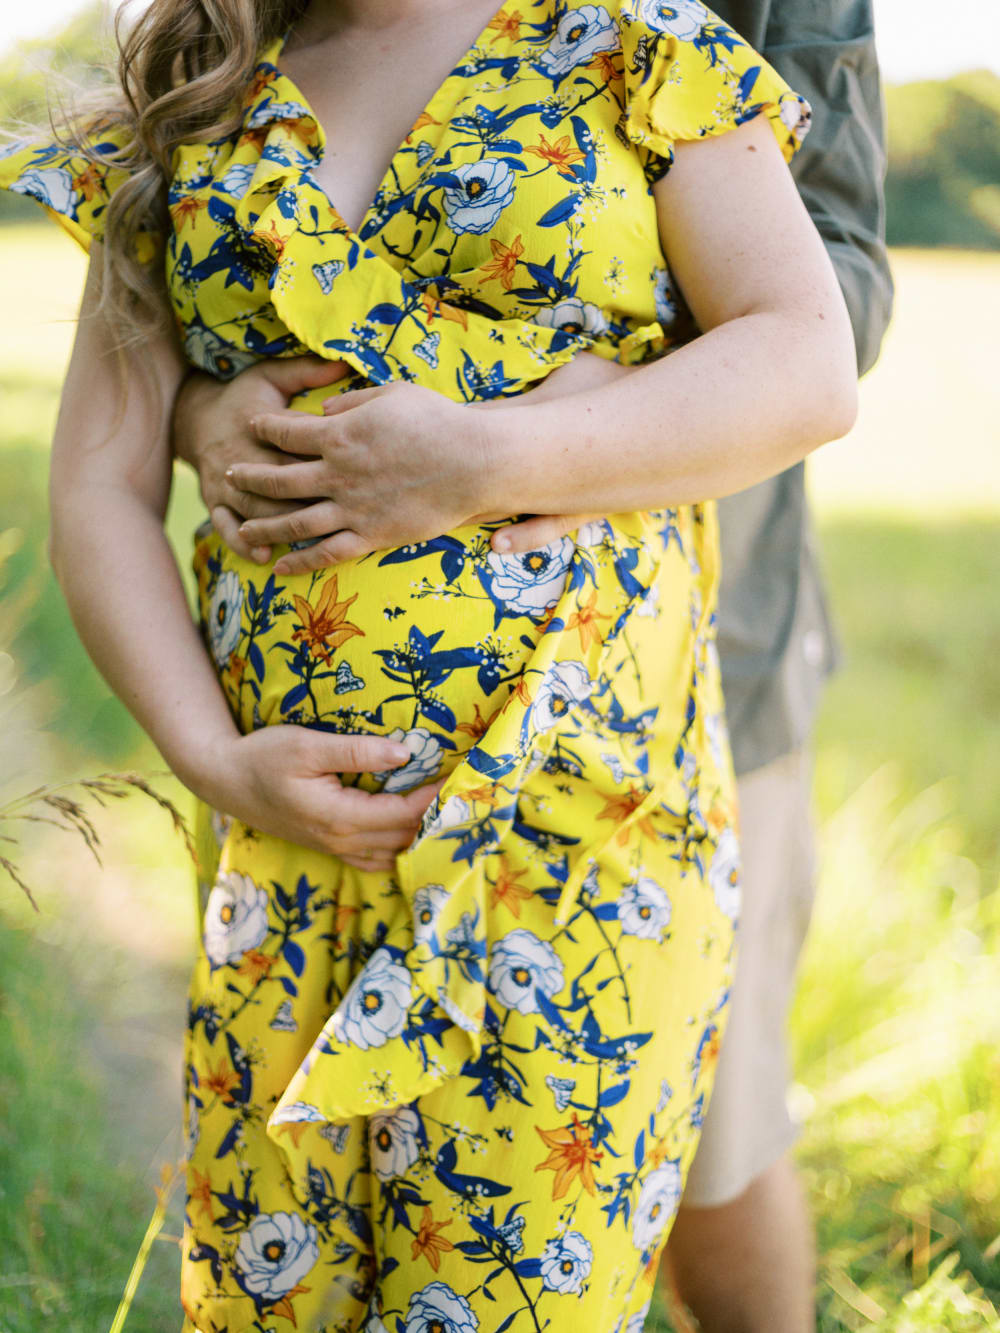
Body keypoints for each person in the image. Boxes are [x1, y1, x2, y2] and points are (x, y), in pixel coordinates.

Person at [0, 1, 858, 1329]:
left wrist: (488, 462)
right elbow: (99, 490)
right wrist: (214, 760)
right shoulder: (195, 82)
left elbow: (806, 360)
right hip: (291, 858)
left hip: (573, 842)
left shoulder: (639, 44)